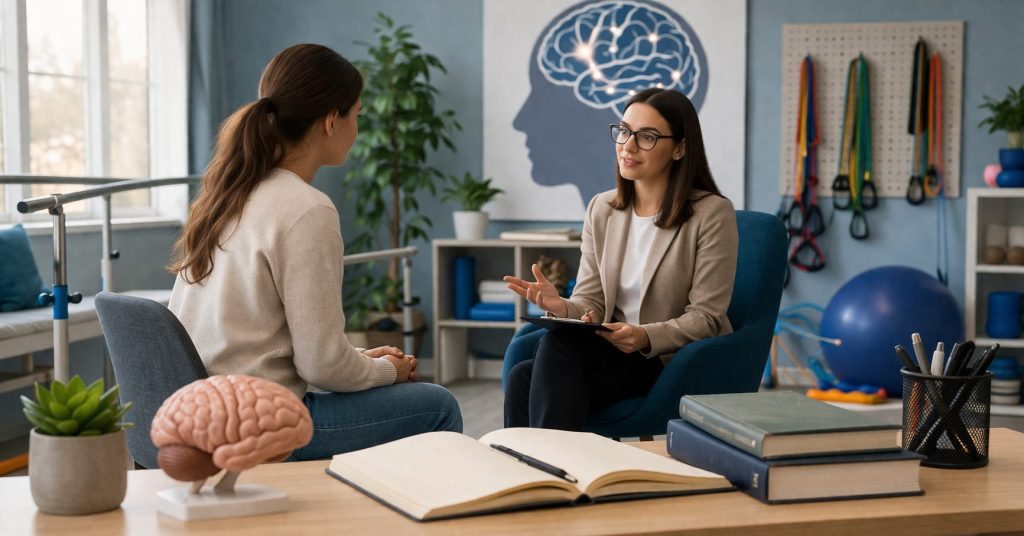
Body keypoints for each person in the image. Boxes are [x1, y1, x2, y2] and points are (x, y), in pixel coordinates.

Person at [168, 44, 462, 459]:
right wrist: (386, 370)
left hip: (201, 410)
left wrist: (358, 358)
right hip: (260, 424)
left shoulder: (229, 195)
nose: (357, 128)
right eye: (356, 115)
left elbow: (277, 344)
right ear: (330, 121)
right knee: (437, 405)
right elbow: (321, 369)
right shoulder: (307, 209)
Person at [503, 88, 737, 431]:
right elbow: (591, 302)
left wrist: (644, 336)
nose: (628, 145)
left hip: (665, 361)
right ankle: (537, 475)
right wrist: (561, 306)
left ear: (680, 148)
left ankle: (554, 471)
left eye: (647, 137)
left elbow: (707, 318)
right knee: (525, 374)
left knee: (553, 353)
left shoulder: (711, 214)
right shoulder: (602, 209)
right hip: (610, 353)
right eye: (624, 131)